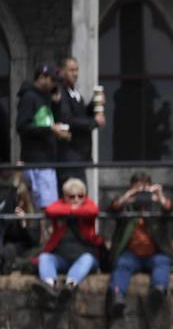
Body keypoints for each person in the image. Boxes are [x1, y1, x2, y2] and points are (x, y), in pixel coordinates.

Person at [107, 172, 173, 317]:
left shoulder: (156, 205)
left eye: (144, 189)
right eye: (137, 189)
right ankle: (118, 296)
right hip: (131, 254)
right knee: (122, 264)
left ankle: (158, 290)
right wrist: (128, 197)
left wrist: (160, 197)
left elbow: (170, 210)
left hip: (154, 253)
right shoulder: (127, 206)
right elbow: (113, 208)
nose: (142, 195)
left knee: (162, 262)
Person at [33, 178, 104, 308]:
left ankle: (69, 285)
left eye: (80, 196)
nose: (76, 199)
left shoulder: (88, 204)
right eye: (72, 197)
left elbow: (92, 210)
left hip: (85, 258)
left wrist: (70, 210)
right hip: (62, 258)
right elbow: (50, 210)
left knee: (87, 258)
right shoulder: (59, 205)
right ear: (64, 197)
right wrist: (73, 210)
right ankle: (49, 285)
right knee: (45, 257)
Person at [14, 64, 61, 208]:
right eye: (52, 79)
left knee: (49, 208)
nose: (54, 83)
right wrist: (50, 130)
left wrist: (56, 104)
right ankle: (40, 231)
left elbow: (48, 122)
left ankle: (42, 230)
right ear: (41, 77)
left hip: (47, 160)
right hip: (37, 162)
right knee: (45, 209)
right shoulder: (29, 97)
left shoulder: (45, 98)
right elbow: (22, 126)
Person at [54, 56, 104, 183]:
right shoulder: (60, 92)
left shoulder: (74, 92)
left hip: (78, 153)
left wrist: (94, 104)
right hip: (68, 154)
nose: (75, 74)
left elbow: (81, 114)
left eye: (77, 70)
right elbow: (68, 119)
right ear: (61, 71)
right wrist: (94, 122)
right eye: (71, 70)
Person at [0, 172, 40, 275]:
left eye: (21, 200)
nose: (18, 204)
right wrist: (14, 184)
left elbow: (34, 241)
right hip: (8, 244)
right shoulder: (10, 210)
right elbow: (4, 220)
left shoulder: (33, 212)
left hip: (25, 247)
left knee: (9, 250)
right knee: (6, 249)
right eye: (16, 200)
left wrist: (24, 223)